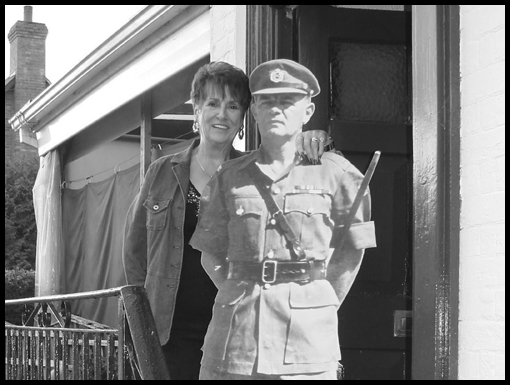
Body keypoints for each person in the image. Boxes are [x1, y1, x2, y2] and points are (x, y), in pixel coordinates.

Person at [122, 61, 332, 380]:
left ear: (242, 117)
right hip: (168, 334)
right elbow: (134, 255)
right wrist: (142, 326)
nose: (222, 114)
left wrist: (313, 147)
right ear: (197, 110)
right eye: (213, 103)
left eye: (233, 105)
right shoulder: (161, 173)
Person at [189, 59, 377, 380]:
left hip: (307, 350)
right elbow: (210, 254)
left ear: (307, 111)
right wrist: (243, 290)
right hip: (233, 348)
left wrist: (315, 300)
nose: (276, 109)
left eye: (287, 101)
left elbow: (352, 253)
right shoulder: (228, 177)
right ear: (255, 111)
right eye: (266, 101)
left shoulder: (341, 175)